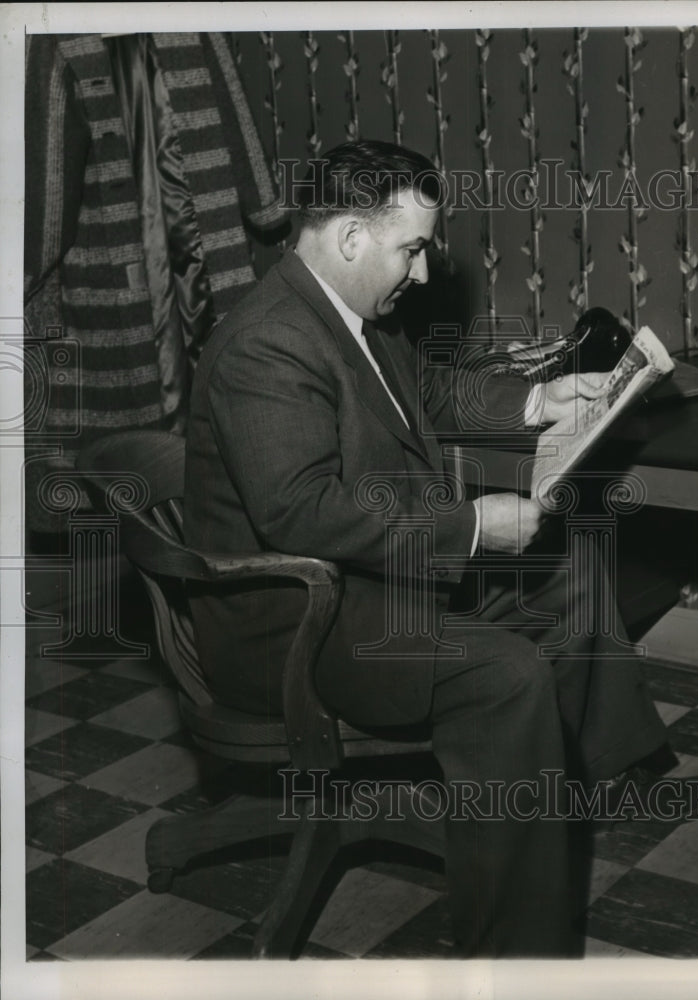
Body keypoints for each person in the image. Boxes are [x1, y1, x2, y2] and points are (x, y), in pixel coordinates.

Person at [183, 140, 670, 957]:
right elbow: (301, 513)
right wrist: (476, 529)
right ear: (347, 240)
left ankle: (581, 792)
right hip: (296, 621)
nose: (418, 272)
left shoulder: (347, 313)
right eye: (409, 249)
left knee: (569, 574)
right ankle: (516, 955)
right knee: (505, 676)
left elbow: (428, 393)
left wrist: (539, 399)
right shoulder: (266, 345)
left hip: (366, 584)